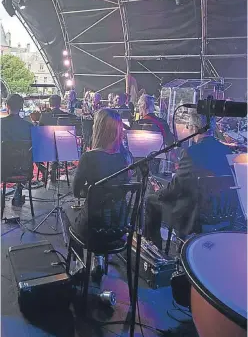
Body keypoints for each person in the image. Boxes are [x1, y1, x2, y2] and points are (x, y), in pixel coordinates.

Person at [145, 112, 235, 249]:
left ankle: (154, 254)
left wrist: (160, 192)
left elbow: (176, 188)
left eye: (188, 127)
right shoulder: (227, 150)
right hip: (222, 212)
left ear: (193, 128)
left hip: (193, 215)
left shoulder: (191, 152)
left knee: (151, 200)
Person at [71, 108, 131, 277]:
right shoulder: (126, 157)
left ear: (98, 128)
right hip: (119, 228)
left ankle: (77, 266)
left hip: (93, 229)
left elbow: (76, 191)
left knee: (70, 214)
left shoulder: (88, 158)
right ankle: (99, 259)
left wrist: (91, 192)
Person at [1, 94, 32, 206]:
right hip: (24, 170)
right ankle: (18, 191)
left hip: (3, 169)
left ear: (7, 106)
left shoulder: (1, 124)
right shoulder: (29, 126)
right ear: (21, 107)